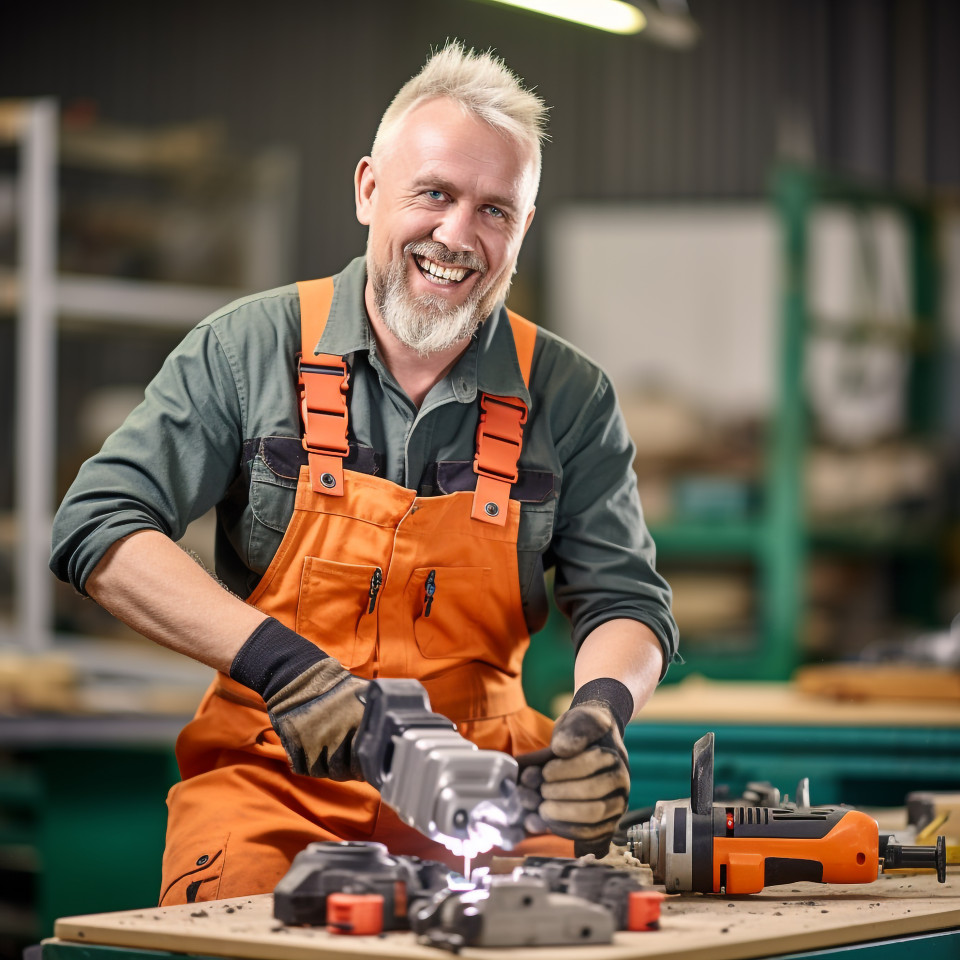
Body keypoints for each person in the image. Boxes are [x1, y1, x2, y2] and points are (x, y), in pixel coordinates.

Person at [50, 42, 677, 905]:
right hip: (272, 774)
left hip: (486, 792)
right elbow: (100, 526)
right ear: (367, 190)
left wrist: (601, 712)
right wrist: (282, 666)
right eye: (435, 194)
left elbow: (625, 601)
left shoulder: (567, 395)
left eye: (495, 210)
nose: (457, 236)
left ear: (521, 230)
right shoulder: (249, 348)